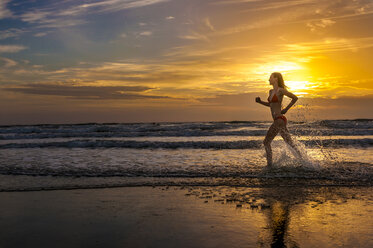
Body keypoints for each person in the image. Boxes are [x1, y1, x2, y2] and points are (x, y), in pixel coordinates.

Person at [255, 72, 302, 167]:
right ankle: (304, 161)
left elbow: (295, 98)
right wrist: (260, 102)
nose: (269, 79)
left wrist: (286, 109)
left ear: (276, 79)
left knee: (266, 142)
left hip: (279, 119)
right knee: (289, 142)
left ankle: (269, 165)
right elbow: (271, 105)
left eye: (270, 78)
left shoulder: (281, 91)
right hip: (279, 120)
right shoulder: (270, 92)